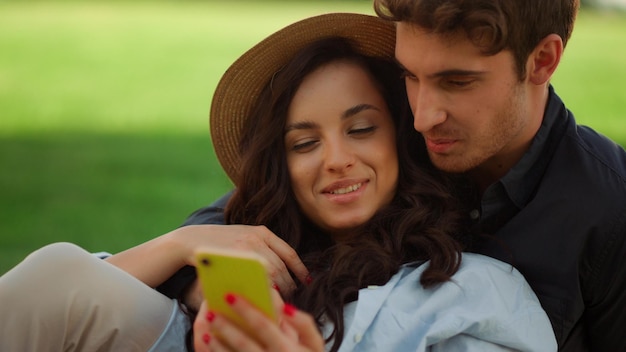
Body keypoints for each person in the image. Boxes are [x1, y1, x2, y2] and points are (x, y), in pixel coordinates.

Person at [0, 13, 556, 352]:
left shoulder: (473, 289)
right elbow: (55, 301)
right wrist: (177, 248)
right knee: (58, 268)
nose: (335, 159)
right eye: (304, 143)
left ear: (399, 139)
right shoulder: (245, 262)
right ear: (281, 167)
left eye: (361, 129)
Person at [178, 1, 626, 351]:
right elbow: (235, 221)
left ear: (542, 60)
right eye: (410, 75)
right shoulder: (400, 135)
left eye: (456, 82)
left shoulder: (610, 207)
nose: (424, 116)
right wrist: (205, 284)